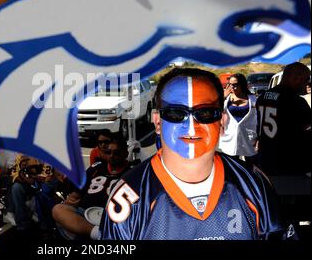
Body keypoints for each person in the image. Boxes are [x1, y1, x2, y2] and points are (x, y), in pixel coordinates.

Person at [101, 68, 287, 240]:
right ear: (157, 122)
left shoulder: (254, 183)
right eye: (175, 113)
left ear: (222, 122)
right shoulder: (127, 198)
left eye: (205, 113)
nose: (191, 127)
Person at [52, 135, 131, 240]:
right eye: (108, 152)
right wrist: (72, 198)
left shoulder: (131, 173)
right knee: (58, 209)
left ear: (125, 153)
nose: (111, 156)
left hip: (110, 217)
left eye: (116, 153)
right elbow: (77, 192)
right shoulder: (97, 167)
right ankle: (96, 234)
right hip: (84, 213)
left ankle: (89, 234)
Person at [256, 62, 311, 176]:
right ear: (295, 78)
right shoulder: (295, 101)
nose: (307, 84)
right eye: (306, 80)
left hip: (266, 158)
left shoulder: (262, 97)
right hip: (289, 161)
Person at [218, 73, 258, 164]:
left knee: (253, 168)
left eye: (235, 85)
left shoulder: (253, 100)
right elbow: (214, 110)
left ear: (242, 85)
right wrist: (223, 97)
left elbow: (259, 119)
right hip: (229, 140)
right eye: (230, 85)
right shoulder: (226, 99)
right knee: (231, 168)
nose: (233, 87)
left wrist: (258, 138)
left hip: (249, 139)